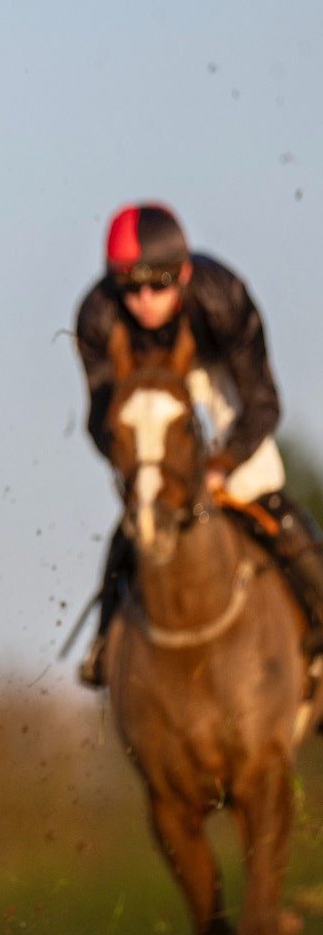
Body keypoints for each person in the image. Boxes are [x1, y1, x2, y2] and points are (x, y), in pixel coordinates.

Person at [73, 201, 323, 686]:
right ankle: (105, 642)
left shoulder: (223, 297)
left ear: (184, 273)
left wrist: (222, 463)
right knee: (140, 515)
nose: (144, 298)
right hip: (144, 395)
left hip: (216, 379)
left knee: (263, 486)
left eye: (159, 284)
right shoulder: (97, 318)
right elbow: (99, 421)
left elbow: (263, 403)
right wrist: (146, 475)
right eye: (130, 286)